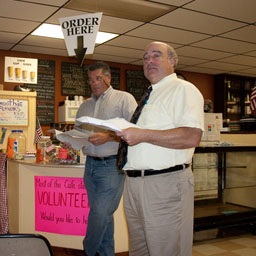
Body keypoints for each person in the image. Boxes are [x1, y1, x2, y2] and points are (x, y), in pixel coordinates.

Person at [116, 42, 204, 256]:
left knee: (165, 250)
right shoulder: (150, 95)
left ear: (172, 61)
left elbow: (192, 136)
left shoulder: (183, 89)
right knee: (139, 251)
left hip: (163, 184)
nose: (149, 61)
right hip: (135, 184)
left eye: (156, 56)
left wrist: (143, 134)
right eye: (145, 57)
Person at [75, 61, 137, 256]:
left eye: (98, 78)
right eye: (91, 80)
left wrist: (109, 136)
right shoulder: (84, 105)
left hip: (112, 166)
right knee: (104, 216)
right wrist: (71, 141)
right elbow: (78, 133)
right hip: (90, 166)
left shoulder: (124, 99)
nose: (94, 83)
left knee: (100, 213)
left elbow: (136, 130)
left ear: (108, 78)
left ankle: (88, 250)